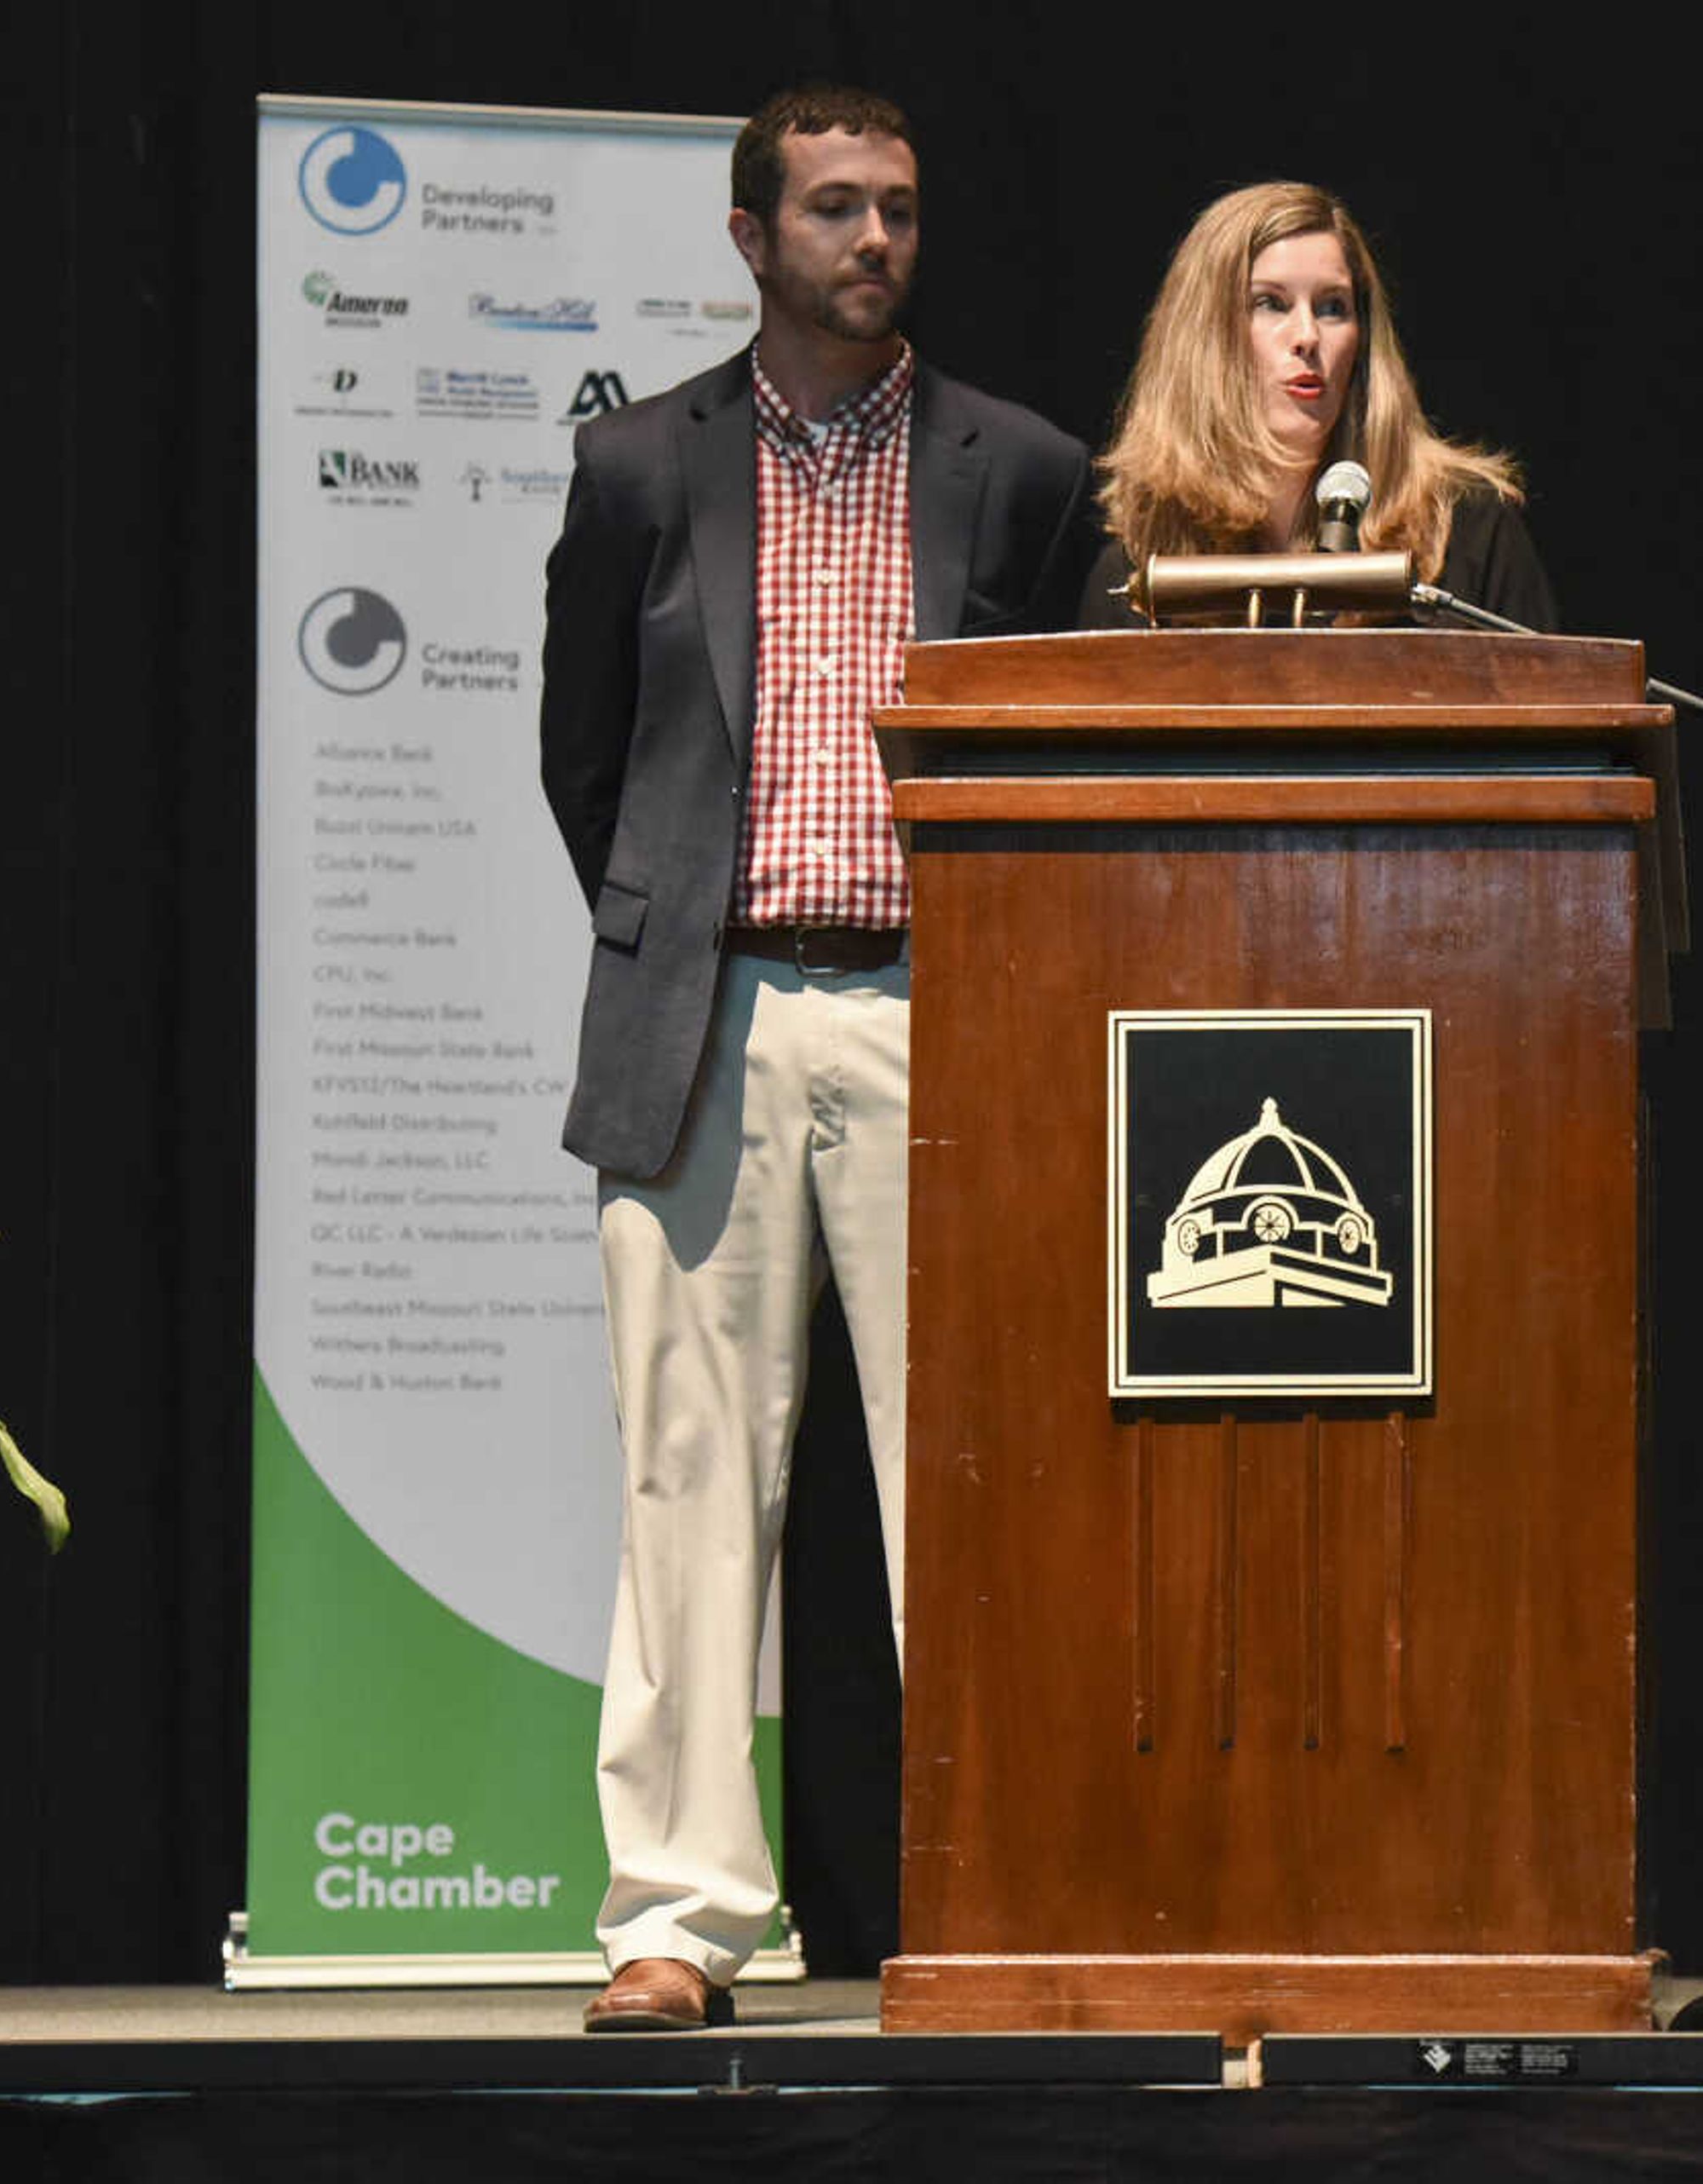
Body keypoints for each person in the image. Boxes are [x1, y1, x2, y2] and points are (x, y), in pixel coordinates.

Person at [538, 83, 1093, 2033]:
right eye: (836, 210)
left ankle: (1007, 1900)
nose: (874, 242)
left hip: (953, 1018)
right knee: (689, 1475)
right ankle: (678, 1920)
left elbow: (1064, 758)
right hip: (711, 1012)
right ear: (750, 233)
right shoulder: (631, 467)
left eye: (901, 213)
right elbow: (584, 765)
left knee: (976, 1480)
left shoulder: (1022, 472)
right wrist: (690, 928)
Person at [1084, 181, 1557, 630]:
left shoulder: (1467, 532)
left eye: (1333, 307)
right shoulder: (1143, 564)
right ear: (1204, 340)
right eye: (1270, 303)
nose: (1308, 336)